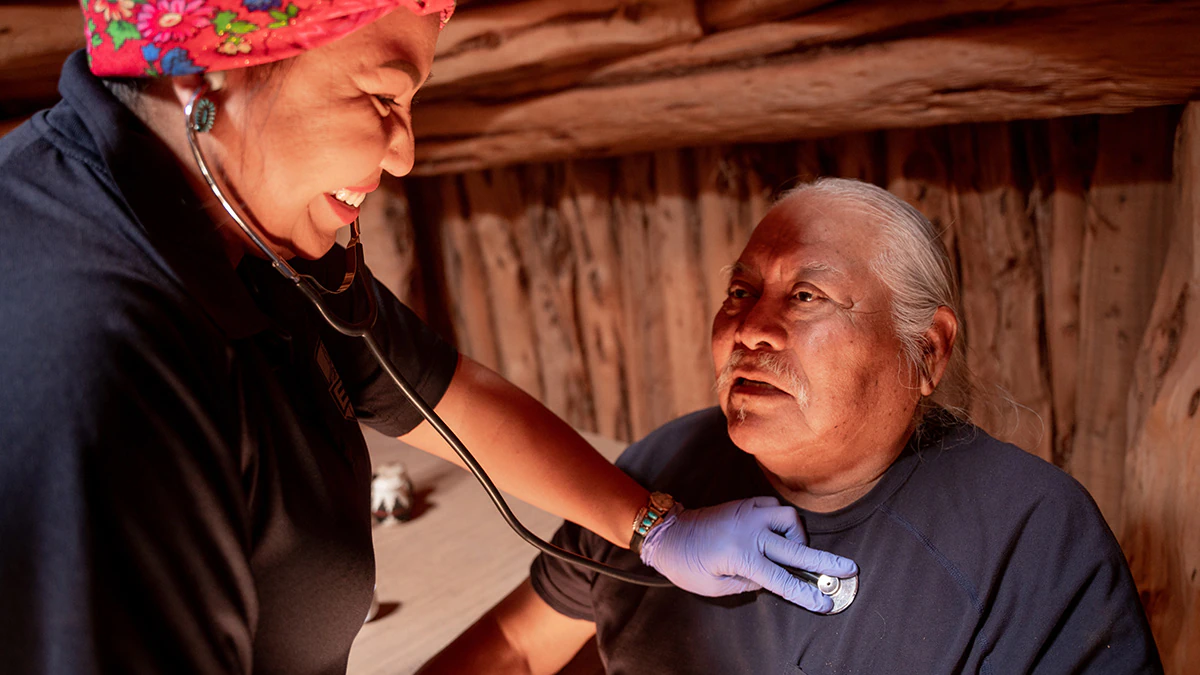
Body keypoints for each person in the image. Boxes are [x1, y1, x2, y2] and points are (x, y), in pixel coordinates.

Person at [0, 2, 855, 673]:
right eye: (379, 97)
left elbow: (435, 389)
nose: (404, 154)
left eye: (410, 105)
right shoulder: (96, 366)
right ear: (207, 75)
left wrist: (654, 527)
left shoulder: (249, 222)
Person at [417, 178, 1163, 675]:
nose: (751, 328)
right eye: (741, 290)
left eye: (806, 296)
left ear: (926, 350)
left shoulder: (1027, 535)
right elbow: (515, 645)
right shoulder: (657, 479)